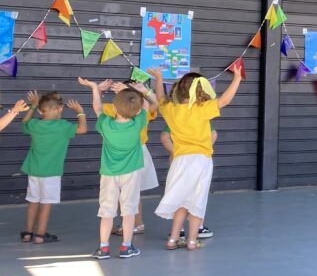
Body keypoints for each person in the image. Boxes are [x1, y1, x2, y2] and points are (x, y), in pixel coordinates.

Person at [149, 67, 242, 251]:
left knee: (181, 200)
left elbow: (160, 98)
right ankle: (191, 241)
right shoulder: (202, 109)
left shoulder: (171, 109)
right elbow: (224, 100)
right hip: (200, 161)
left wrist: (158, 78)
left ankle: (173, 239)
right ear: (201, 91)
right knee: (197, 201)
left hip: (179, 161)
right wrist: (237, 78)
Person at [80, 78, 160, 237]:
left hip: (133, 153)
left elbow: (97, 108)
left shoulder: (120, 110)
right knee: (128, 194)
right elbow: (101, 106)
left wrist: (96, 88)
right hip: (131, 155)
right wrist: (101, 90)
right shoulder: (134, 113)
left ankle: (137, 224)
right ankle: (128, 227)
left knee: (131, 194)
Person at [20, 91, 87, 243]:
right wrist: (80, 113)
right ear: (60, 108)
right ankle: (40, 236)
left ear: (40, 111)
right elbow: (82, 129)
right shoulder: (63, 126)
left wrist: (33, 105)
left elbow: (24, 124)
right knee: (46, 203)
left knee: (33, 201)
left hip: (34, 170)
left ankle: (28, 233)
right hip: (51, 172)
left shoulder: (34, 124)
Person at [161, 129, 216, 239]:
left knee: (178, 196)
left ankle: (177, 232)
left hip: (180, 162)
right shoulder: (202, 119)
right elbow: (214, 134)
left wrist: (175, 152)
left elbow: (164, 137)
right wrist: (204, 148)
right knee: (198, 196)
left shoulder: (176, 119)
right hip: (200, 161)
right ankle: (198, 229)